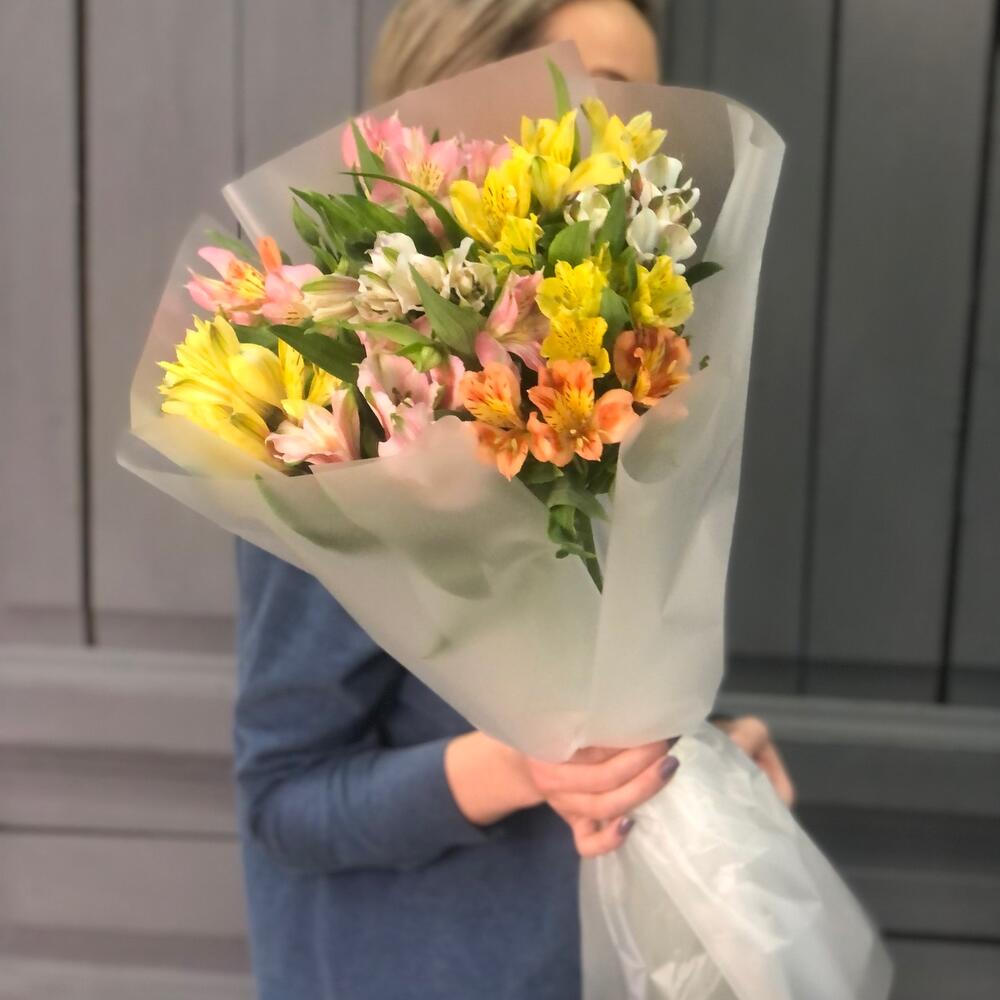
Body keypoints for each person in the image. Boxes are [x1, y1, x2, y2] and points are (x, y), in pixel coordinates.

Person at [234, 2, 794, 998]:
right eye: (598, 93)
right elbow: (285, 803)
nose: (635, 140)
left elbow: (613, 677)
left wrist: (703, 753)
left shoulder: (627, 361)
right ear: (451, 96)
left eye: (648, 103)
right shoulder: (351, 399)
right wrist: (517, 768)